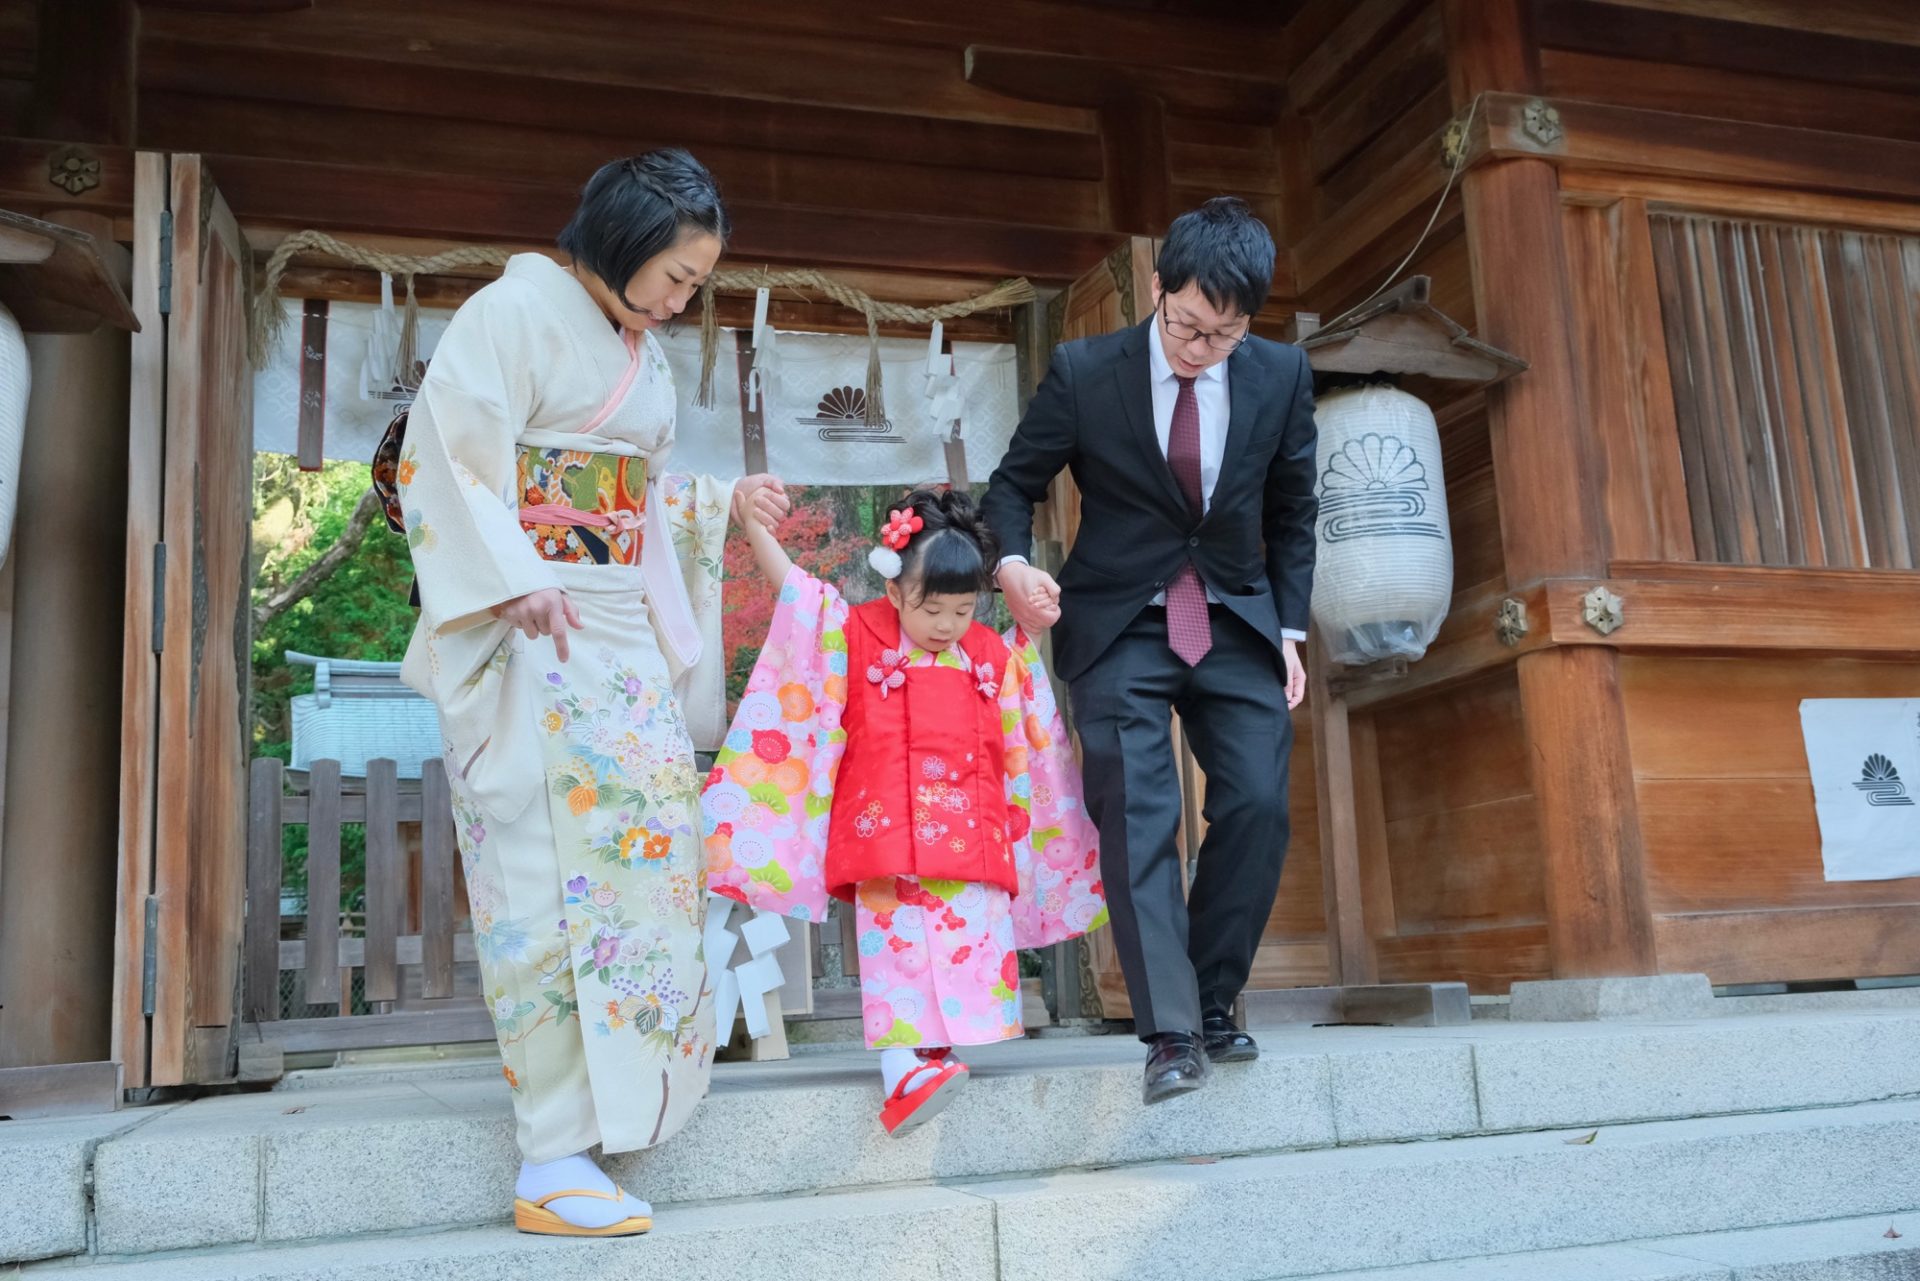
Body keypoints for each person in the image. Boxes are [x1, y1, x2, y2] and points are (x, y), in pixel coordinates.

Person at [395, 150, 788, 1236]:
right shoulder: (512, 313)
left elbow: (634, 498)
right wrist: (511, 572)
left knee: (642, 878)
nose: (680, 300)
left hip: (612, 635)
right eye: (676, 276)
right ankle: (550, 1156)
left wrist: (716, 501)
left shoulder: (636, 353)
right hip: (527, 629)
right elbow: (446, 462)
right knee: (543, 881)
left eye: (696, 285)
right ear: (618, 243)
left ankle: (626, 1115)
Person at [982, 197, 1317, 1106]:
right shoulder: (1088, 371)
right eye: (1187, 326)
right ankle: (1171, 1032)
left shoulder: (1282, 375)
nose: (1200, 348)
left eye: (1224, 336)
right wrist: (1013, 566)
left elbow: (1293, 511)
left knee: (1255, 802)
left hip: (1237, 620)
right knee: (1139, 815)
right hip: (1119, 618)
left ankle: (1211, 1000)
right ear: (1159, 288)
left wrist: (1289, 629)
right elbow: (1011, 487)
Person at [703, 486, 1105, 1135]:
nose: (947, 625)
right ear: (894, 590)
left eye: (962, 609)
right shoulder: (857, 632)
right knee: (899, 954)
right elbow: (801, 598)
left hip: (969, 836)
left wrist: (1029, 620)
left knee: (962, 946)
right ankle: (901, 1069)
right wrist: (756, 529)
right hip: (888, 838)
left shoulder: (987, 653)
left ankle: (929, 1058)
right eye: (931, 607)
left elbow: (1018, 716)